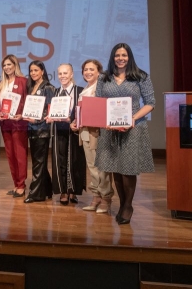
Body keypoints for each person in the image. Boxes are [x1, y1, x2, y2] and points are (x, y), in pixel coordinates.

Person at [96, 43, 155, 225]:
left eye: (124, 55)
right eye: (117, 55)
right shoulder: (104, 78)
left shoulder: (140, 76)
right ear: (113, 57)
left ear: (129, 56)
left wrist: (132, 118)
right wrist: (104, 121)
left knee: (128, 169)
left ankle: (128, 206)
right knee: (115, 168)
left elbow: (150, 102)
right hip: (110, 130)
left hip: (133, 128)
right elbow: (99, 103)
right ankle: (122, 203)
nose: (121, 58)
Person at [71, 59, 115, 213]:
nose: (88, 72)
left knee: (101, 166)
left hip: (97, 132)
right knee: (91, 166)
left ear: (99, 72)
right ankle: (96, 196)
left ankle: (106, 198)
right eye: (85, 70)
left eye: (91, 69)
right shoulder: (85, 89)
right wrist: (75, 122)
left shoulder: (102, 88)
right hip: (84, 131)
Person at [49, 63, 86, 205]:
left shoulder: (80, 92)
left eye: (65, 73)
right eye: (60, 74)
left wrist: (73, 120)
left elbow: (83, 111)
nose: (62, 76)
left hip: (74, 131)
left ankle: (73, 191)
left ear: (71, 74)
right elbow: (50, 111)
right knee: (60, 160)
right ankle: (63, 191)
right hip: (58, 130)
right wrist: (49, 117)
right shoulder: (55, 92)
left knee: (75, 161)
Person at [0, 55, 28, 198]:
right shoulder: (1, 84)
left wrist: (23, 114)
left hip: (18, 123)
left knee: (20, 155)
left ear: (15, 65)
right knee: (10, 155)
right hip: (5, 123)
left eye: (10, 64)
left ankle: (22, 185)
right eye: (4, 65)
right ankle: (16, 184)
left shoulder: (23, 81)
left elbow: (28, 101)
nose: (7, 67)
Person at [22, 61, 54, 203]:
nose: (33, 73)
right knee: (38, 162)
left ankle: (35, 194)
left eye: (36, 70)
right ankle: (47, 189)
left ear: (42, 71)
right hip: (31, 129)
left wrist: (37, 120)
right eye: (31, 70)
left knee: (38, 163)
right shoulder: (32, 86)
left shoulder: (48, 87)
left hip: (42, 129)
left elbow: (50, 109)